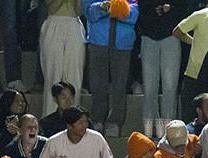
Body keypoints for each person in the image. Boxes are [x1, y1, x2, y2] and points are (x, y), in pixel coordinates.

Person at [84, 0, 139, 138]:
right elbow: (88, 12)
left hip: (122, 42)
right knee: (98, 84)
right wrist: (103, 7)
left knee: (120, 85)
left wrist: (120, 9)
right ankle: (97, 121)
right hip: (98, 41)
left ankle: (115, 122)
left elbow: (135, 14)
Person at [138, 0, 188, 138]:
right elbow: (141, 8)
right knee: (149, 89)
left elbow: (184, 9)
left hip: (172, 36)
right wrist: (155, 10)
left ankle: (167, 133)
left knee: (170, 88)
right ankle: (148, 133)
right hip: (148, 36)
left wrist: (170, 8)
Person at [39, 0, 85, 116]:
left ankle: (74, 120)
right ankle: (50, 122)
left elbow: (78, 11)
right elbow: (52, 8)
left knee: (74, 78)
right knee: (53, 77)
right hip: (54, 23)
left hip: (74, 24)